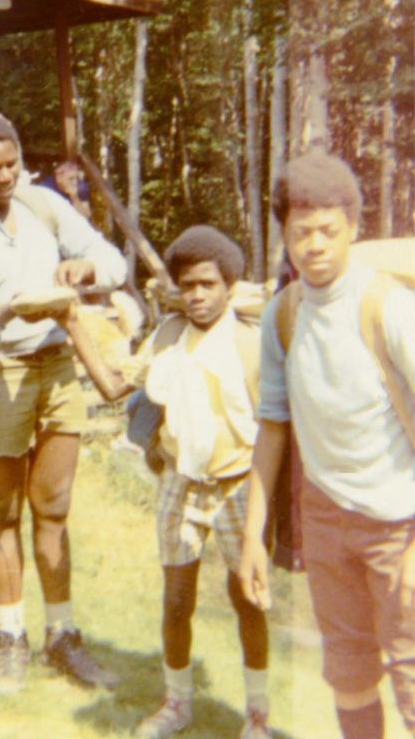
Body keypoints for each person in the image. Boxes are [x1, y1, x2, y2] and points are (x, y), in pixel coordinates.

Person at [0, 111, 126, 696]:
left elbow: (110, 261)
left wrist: (84, 268)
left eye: (13, 163)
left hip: (58, 363)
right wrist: (9, 310)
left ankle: (63, 635)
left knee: (55, 506)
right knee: (4, 511)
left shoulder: (44, 205)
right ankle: (11, 637)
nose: (7, 176)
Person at [66, 226, 271, 738]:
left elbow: (275, 426)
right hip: (182, 483)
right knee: (177, 601)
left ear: (229, 285)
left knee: (248, 598)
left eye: (209, 284)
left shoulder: (251, 340)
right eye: (188, 286)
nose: (198, 296)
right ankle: (176, 703)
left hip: (240, 484)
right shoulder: (169, 335)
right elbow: (115, 386)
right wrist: (71, 321)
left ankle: (258, 715)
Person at [238, 153, 415, 739]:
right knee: (348, 673)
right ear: (283, 234)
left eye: (328, 232)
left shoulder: (387, 307)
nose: (314, 246)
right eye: (300, 232)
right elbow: (272, 427)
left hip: (401, 524)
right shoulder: (282, 317)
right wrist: (253, 538)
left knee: (412, 675)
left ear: (354, 230)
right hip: (326, 520)